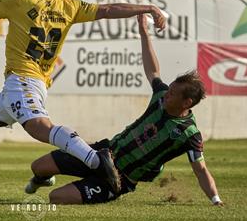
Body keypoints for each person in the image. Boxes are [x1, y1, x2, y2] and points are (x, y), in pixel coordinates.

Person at [0, 0, 166, 202]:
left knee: (40, 127)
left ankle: (96, 160)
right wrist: (148, 8)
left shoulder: (18, 0)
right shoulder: (68, 6)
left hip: (22, 81)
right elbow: (109, 9)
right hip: (29, 83)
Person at [24, 14, 224, 206]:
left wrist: (216, 200)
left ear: (187, 103)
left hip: (119, 179)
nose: (166, 94)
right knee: (38, 166)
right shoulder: (160, 98)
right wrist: (144, 33)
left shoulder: (190, 134)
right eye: (169, 89)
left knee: (56, 197)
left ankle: (106, 192)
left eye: (172, 93)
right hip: (102, 154)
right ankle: (42, 179)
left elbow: (201, 170)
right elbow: (153, 71)